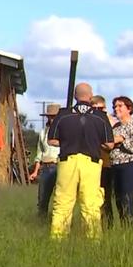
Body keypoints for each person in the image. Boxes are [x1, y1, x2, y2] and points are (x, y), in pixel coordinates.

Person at [47, 83, 114, 240]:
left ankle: (58, 238)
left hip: (67, 161)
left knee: (63, 202)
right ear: (91, 96)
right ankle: (93, 239)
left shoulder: (63, 114)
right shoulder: (100, 117)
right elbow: (109, 144)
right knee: (91, 203)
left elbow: (51, 140)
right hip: (91, 162)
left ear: (75, 96)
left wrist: (67, 141)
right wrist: (95, 142)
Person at [110, 96, 133, 227]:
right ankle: (124, 227)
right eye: (115, 106)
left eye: (120, 106)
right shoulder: (115, 127)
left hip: (132, 164)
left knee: (127, 197)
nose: (116, 108)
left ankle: (131, 228)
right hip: (116, 166)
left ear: (129, 108)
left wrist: (122, 141)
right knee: (119, 200)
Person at [29, 103, 61, 220]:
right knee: (42, 198)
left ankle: (57, 222)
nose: (52, 119)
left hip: (59, 165)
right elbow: (39, 153)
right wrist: (35, 171)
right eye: (50, 117)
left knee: (60, 199)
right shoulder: (43, 132)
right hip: (46, 167)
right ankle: (41, 222)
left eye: (54, 117)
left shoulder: (65, 131)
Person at [91, 95, 116, 229]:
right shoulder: (90, 121)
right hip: (92, 163)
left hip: (106, 165)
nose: (98, 112)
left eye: (100, 109)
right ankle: (95, 224)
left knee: (106, 197)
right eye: (94, 109)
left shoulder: (110, 121)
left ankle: (108, 225)